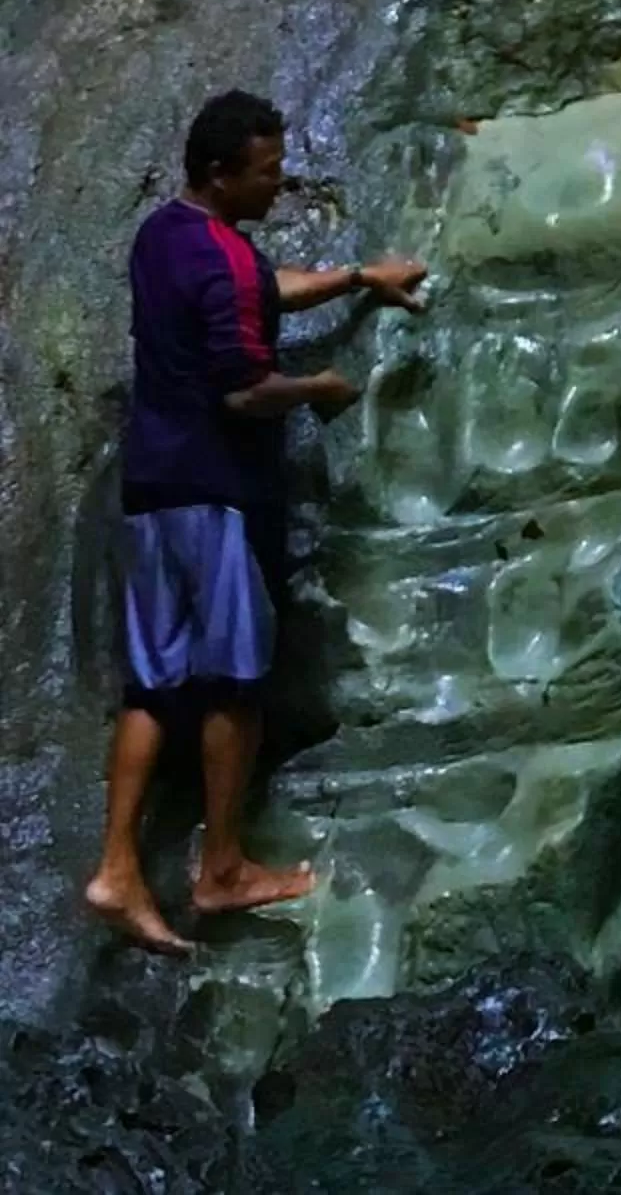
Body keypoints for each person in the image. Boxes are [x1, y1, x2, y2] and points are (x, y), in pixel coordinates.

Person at [86, 90, 426, 956]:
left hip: (153, 488)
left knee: (152, 684)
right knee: (235, 681)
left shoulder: (164, 235)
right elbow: (244, 390)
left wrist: (357, 277)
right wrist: (319, 389)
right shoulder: (228, 262)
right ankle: (224, 868)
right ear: (220, 173)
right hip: (217, 493)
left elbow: (258, 293)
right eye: (267, 171)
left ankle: (117, 869)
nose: (281, 183)